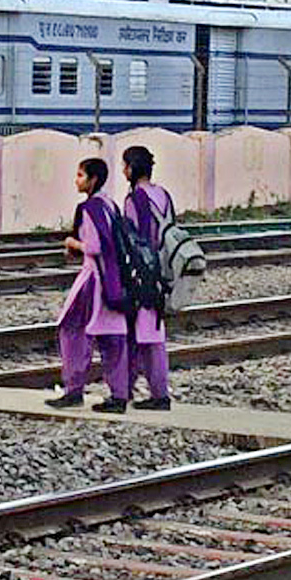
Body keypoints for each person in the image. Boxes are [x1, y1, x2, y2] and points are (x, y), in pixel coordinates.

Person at [46, 157, 131, 413]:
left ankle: (73, 389)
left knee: (71, 331)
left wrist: (73, 244)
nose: (77, 180)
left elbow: (96, 247)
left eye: (81, 175)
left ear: (93, 179)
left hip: (93, 279)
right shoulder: (110, 205)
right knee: (112, 338)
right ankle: (119, 394)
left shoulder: (90, 208)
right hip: (114, 279)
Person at [122, 145, 173, 411]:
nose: (123, 171)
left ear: (132, 168)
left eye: (125, 165)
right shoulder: (163, 195)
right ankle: (148, 390)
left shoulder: (135, 199)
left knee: (142, 335)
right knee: (151, 333)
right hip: (163, 272)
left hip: (143, 275)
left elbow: (134, 239)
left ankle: (148, 393)